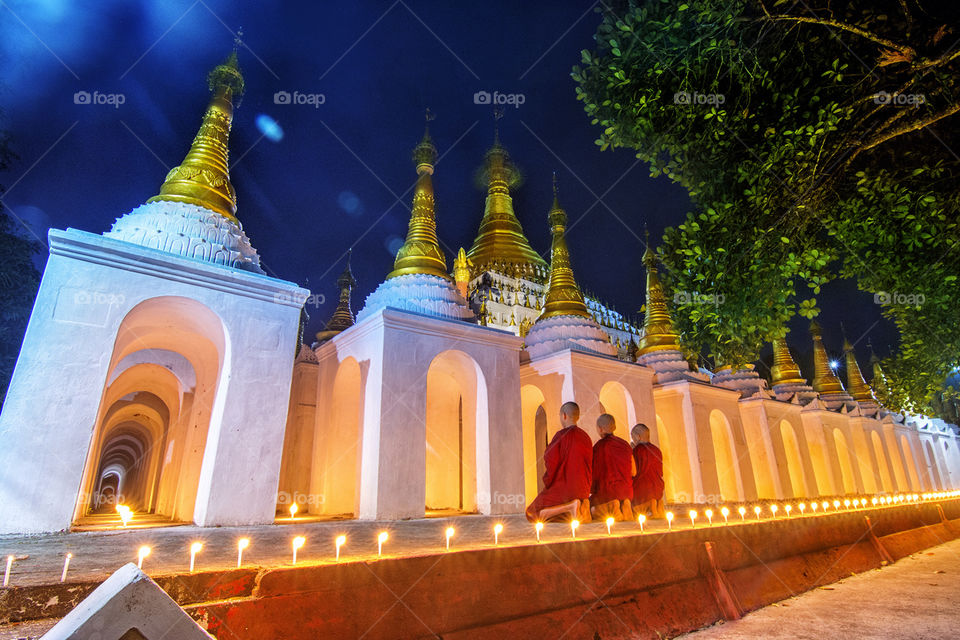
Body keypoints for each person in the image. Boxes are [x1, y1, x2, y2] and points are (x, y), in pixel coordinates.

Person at [525, 401, 593, 523]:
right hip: (583, 489)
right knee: (563, 515)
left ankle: (570, 506)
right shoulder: (586, 437)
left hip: (565, 487)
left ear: (564, 416)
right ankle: (580, 506)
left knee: (531, 513)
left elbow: (551, 459)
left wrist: (549, 481)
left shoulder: (561, 435)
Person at [590, 414, 635, 521]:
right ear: (614, 427)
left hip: (607, 493)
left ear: (600, 429)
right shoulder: (625, 445)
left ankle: (613, 506)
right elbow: (634, 472)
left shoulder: (598, 447)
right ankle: (625, 503)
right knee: (622, 496)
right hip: (626, 492)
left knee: (591, 510)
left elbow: (593, 475)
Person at [631, 423, 666, 519]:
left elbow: (633, 473)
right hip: (658, 490)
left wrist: (631, 451)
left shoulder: (637, 451)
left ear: (638, 437)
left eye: (633, 437)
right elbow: (660, 472)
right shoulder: (657, 450)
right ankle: (657, 504)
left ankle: (649, 505)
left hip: (644, 492)